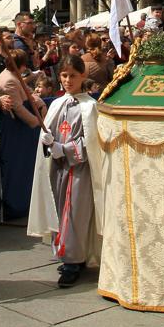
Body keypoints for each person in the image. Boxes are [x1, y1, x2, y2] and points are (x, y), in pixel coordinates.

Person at [27, 54, 105, 288]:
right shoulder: (58, 103)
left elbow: (92, 141)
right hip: (58, 167)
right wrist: (48, 140)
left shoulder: (90, 106)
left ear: (83, 75)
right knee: (60, 210)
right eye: (64, 75)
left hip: (79, 168)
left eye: (73, 75)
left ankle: (73, 261)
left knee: (75, 214)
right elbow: (49, 130)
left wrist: (65, 148)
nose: (68, 80)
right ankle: (66, 253)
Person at [0, 49, 45, 128]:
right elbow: (18, 108)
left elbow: (29, 91)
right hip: (18, 125)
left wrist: (41, 105)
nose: (25, 67)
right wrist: (38, 122)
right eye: (24, 64)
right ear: (21, 65)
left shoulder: (13, 74)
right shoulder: (9, 80)